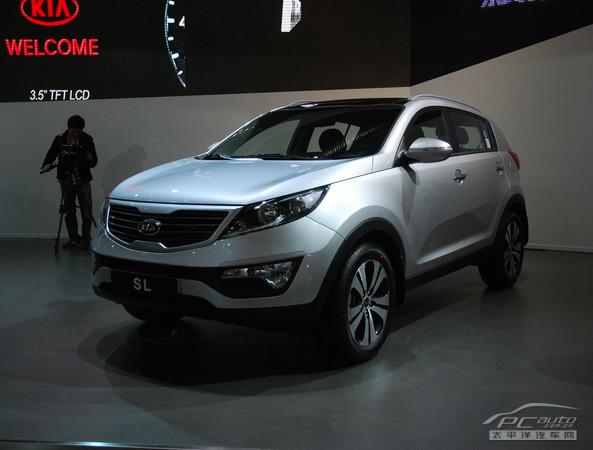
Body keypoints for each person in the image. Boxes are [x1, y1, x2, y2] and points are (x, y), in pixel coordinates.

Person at [41, 115, 98, 250]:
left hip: (82, 179)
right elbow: (51, 154)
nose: (76, 133)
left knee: (86, 211)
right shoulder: (60, 139)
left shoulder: (87, 139)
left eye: (79, 131)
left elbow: (94, 162)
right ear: (69, 128)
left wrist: (89, 158)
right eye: (74, 130)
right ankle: (73, 238)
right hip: (65, 180)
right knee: (69, 211)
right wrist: (46, 165)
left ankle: (86, 240)